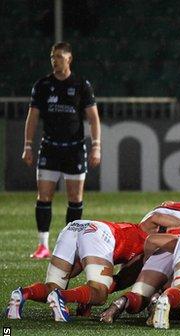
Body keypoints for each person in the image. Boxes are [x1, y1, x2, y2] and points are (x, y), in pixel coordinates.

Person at [22, 42, 101, 259]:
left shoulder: (81, 85)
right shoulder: (43, 85)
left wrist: (96, 146)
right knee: (44, 196)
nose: (55, 60)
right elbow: (33, 116)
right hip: (50, 148)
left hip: (74, 149)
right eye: (52, 56)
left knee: (75, 198)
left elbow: (93, 117)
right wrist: (28, 145)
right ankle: (43, 246)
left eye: (59, 56)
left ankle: (70, 244)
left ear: (69, 59)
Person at [6, 219, 148, 322]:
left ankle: (23, 293)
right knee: (99, 294)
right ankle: (61, 296)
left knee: (52, 287)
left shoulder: (140, 231)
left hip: (74, 227)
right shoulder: (151, 246)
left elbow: (82, 264)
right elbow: (123, 278)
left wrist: (85, 298)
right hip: (98, 234)